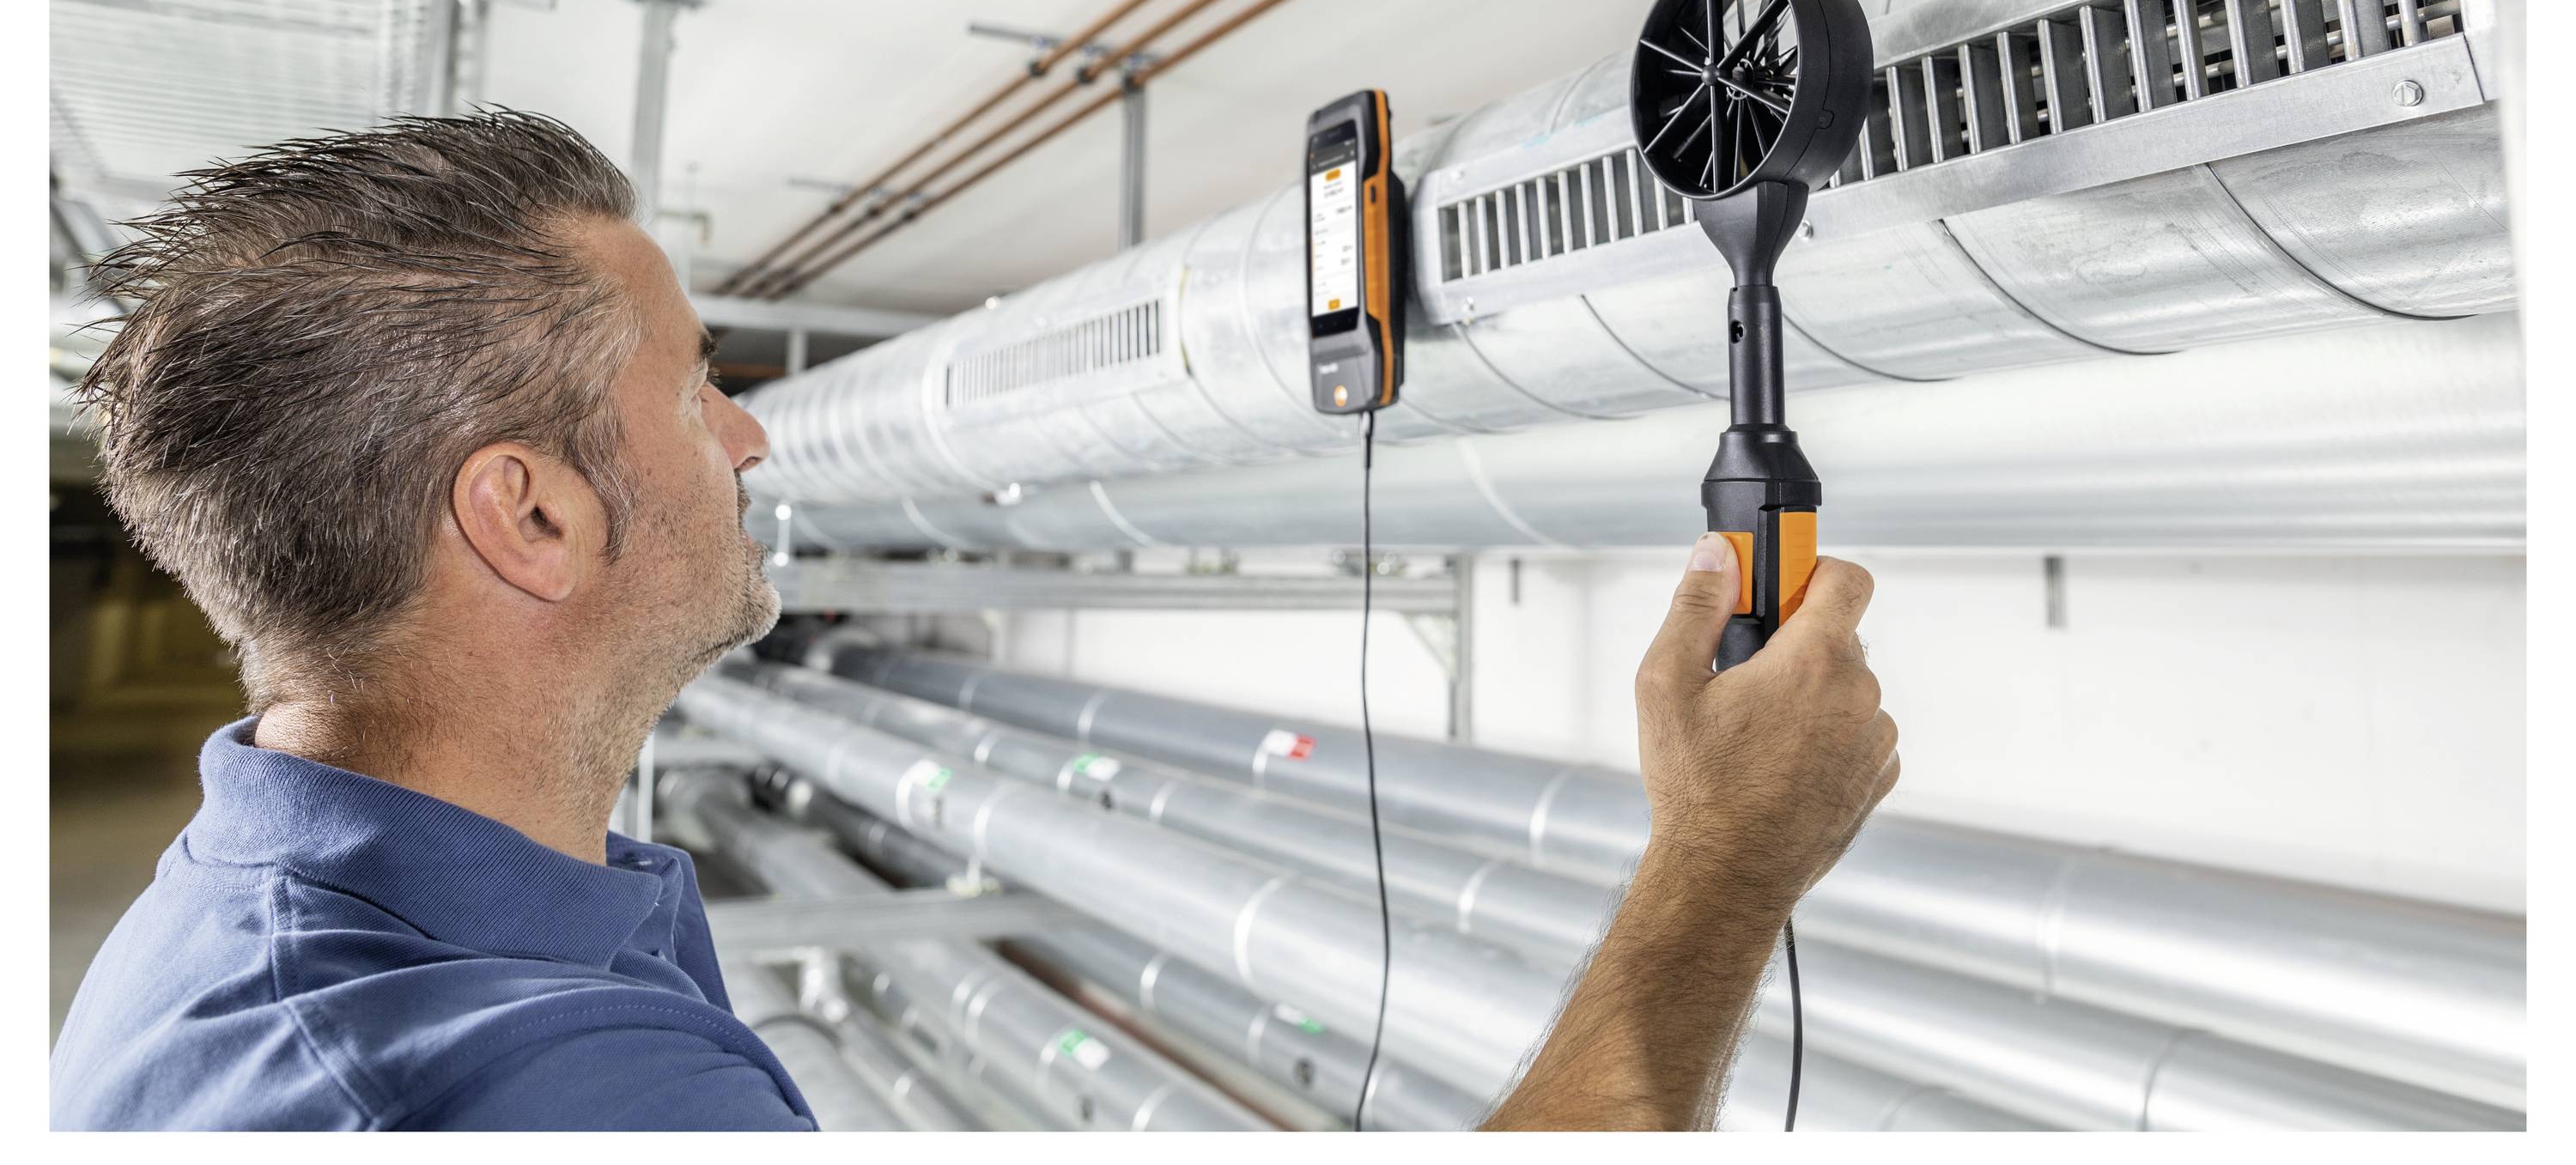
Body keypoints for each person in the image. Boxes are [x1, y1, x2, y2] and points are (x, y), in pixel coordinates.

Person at [51, 111, 1894, 1132]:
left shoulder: (256, 932)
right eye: (698, 387)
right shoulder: (542, 1093)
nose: (754, 430)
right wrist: (1727, 861)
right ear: (527, 512)